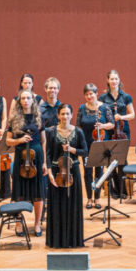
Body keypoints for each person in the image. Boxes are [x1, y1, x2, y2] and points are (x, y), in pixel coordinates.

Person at [45, 103, 87, 248]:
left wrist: (73, 149)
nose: (65, 116)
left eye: (68, 113)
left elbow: (85, 151)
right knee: (57, 204)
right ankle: (57, 240)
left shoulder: (78, 131)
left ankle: (73, 240)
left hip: (72, 171)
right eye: (62, 114)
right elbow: (48, 154)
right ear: (58, 115)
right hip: (57, 172)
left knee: (72, 204)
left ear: (72, 115)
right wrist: (50, 173)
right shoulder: (51, 132)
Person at [8, 89, 47, 236]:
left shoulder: (38, 117)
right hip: (21, 158)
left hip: (36, 158)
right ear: (19, 101)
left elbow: (43, 141)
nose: (25, 101)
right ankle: (18, 222)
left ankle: (37, 224)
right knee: (19, 192)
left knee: (38, 192)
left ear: (33, 100)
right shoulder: (14, 118)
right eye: (23, 98)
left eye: (28, 98)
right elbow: (8, 141)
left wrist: (44, 162)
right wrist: (19, 140)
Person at [77, 83, 114, 208]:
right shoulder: (82, 108)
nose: (89, 96)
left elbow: (112, 124)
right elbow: (78, 126)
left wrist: (102, 126)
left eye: (91, 94)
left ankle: (97, 198)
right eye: (86, 94)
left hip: (100, 144)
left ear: (96, 94)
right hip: (86, 145)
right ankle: (88, 198)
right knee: (87, 172)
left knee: (99, 171)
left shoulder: (104, 108)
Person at [100, 69, 135, 197]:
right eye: (112, 79)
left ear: (119, 80)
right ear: (107, 81)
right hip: (109, 132)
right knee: (110, 160)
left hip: (123, 132)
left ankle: (123, 190)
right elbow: (101, 113)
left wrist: (121, 117)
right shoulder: (103, 98)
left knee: (122, 160)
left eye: (116, 79)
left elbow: (132, 114)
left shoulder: (126, 96)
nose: (114, 81)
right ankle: (113, 190)